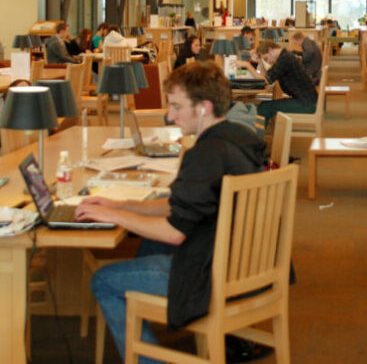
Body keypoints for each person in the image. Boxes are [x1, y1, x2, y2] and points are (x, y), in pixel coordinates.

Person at [75, 62, 266, 363]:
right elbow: (180, 205)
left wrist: (115, 218)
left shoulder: (205, 155)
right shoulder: (237, 138)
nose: (169, 115)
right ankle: (143, 312)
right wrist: (122, 205)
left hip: (210, 273)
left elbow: (175, 232)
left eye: (176, 106)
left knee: (103, 279)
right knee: (149, 243)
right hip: (243, 262)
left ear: (204, 107)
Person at [239, 40, 318, 125]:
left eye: (266, 58)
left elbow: (265, 81)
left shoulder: (284, 59)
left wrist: (247, 65)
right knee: (265, 105)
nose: (268, 62)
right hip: (306, 100)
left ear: (270, 49)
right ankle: (256, 132)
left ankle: (255, 134)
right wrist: (260, 61)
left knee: (265, 107)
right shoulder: (284, 56)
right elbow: (266, 77)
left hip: (306, 104)